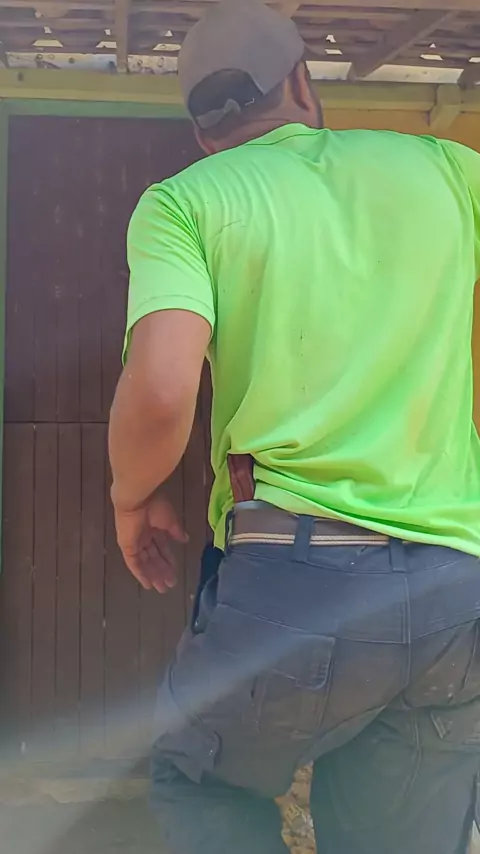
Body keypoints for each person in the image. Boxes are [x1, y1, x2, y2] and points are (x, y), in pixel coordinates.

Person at [108, 1, 480, 851]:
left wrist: (133, 499)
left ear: (202, 129)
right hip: (457, 591)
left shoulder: (187, 202)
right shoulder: (445, 168)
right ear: (303, 85)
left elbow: (161, 391)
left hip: (299, 580)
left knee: (195, 779)